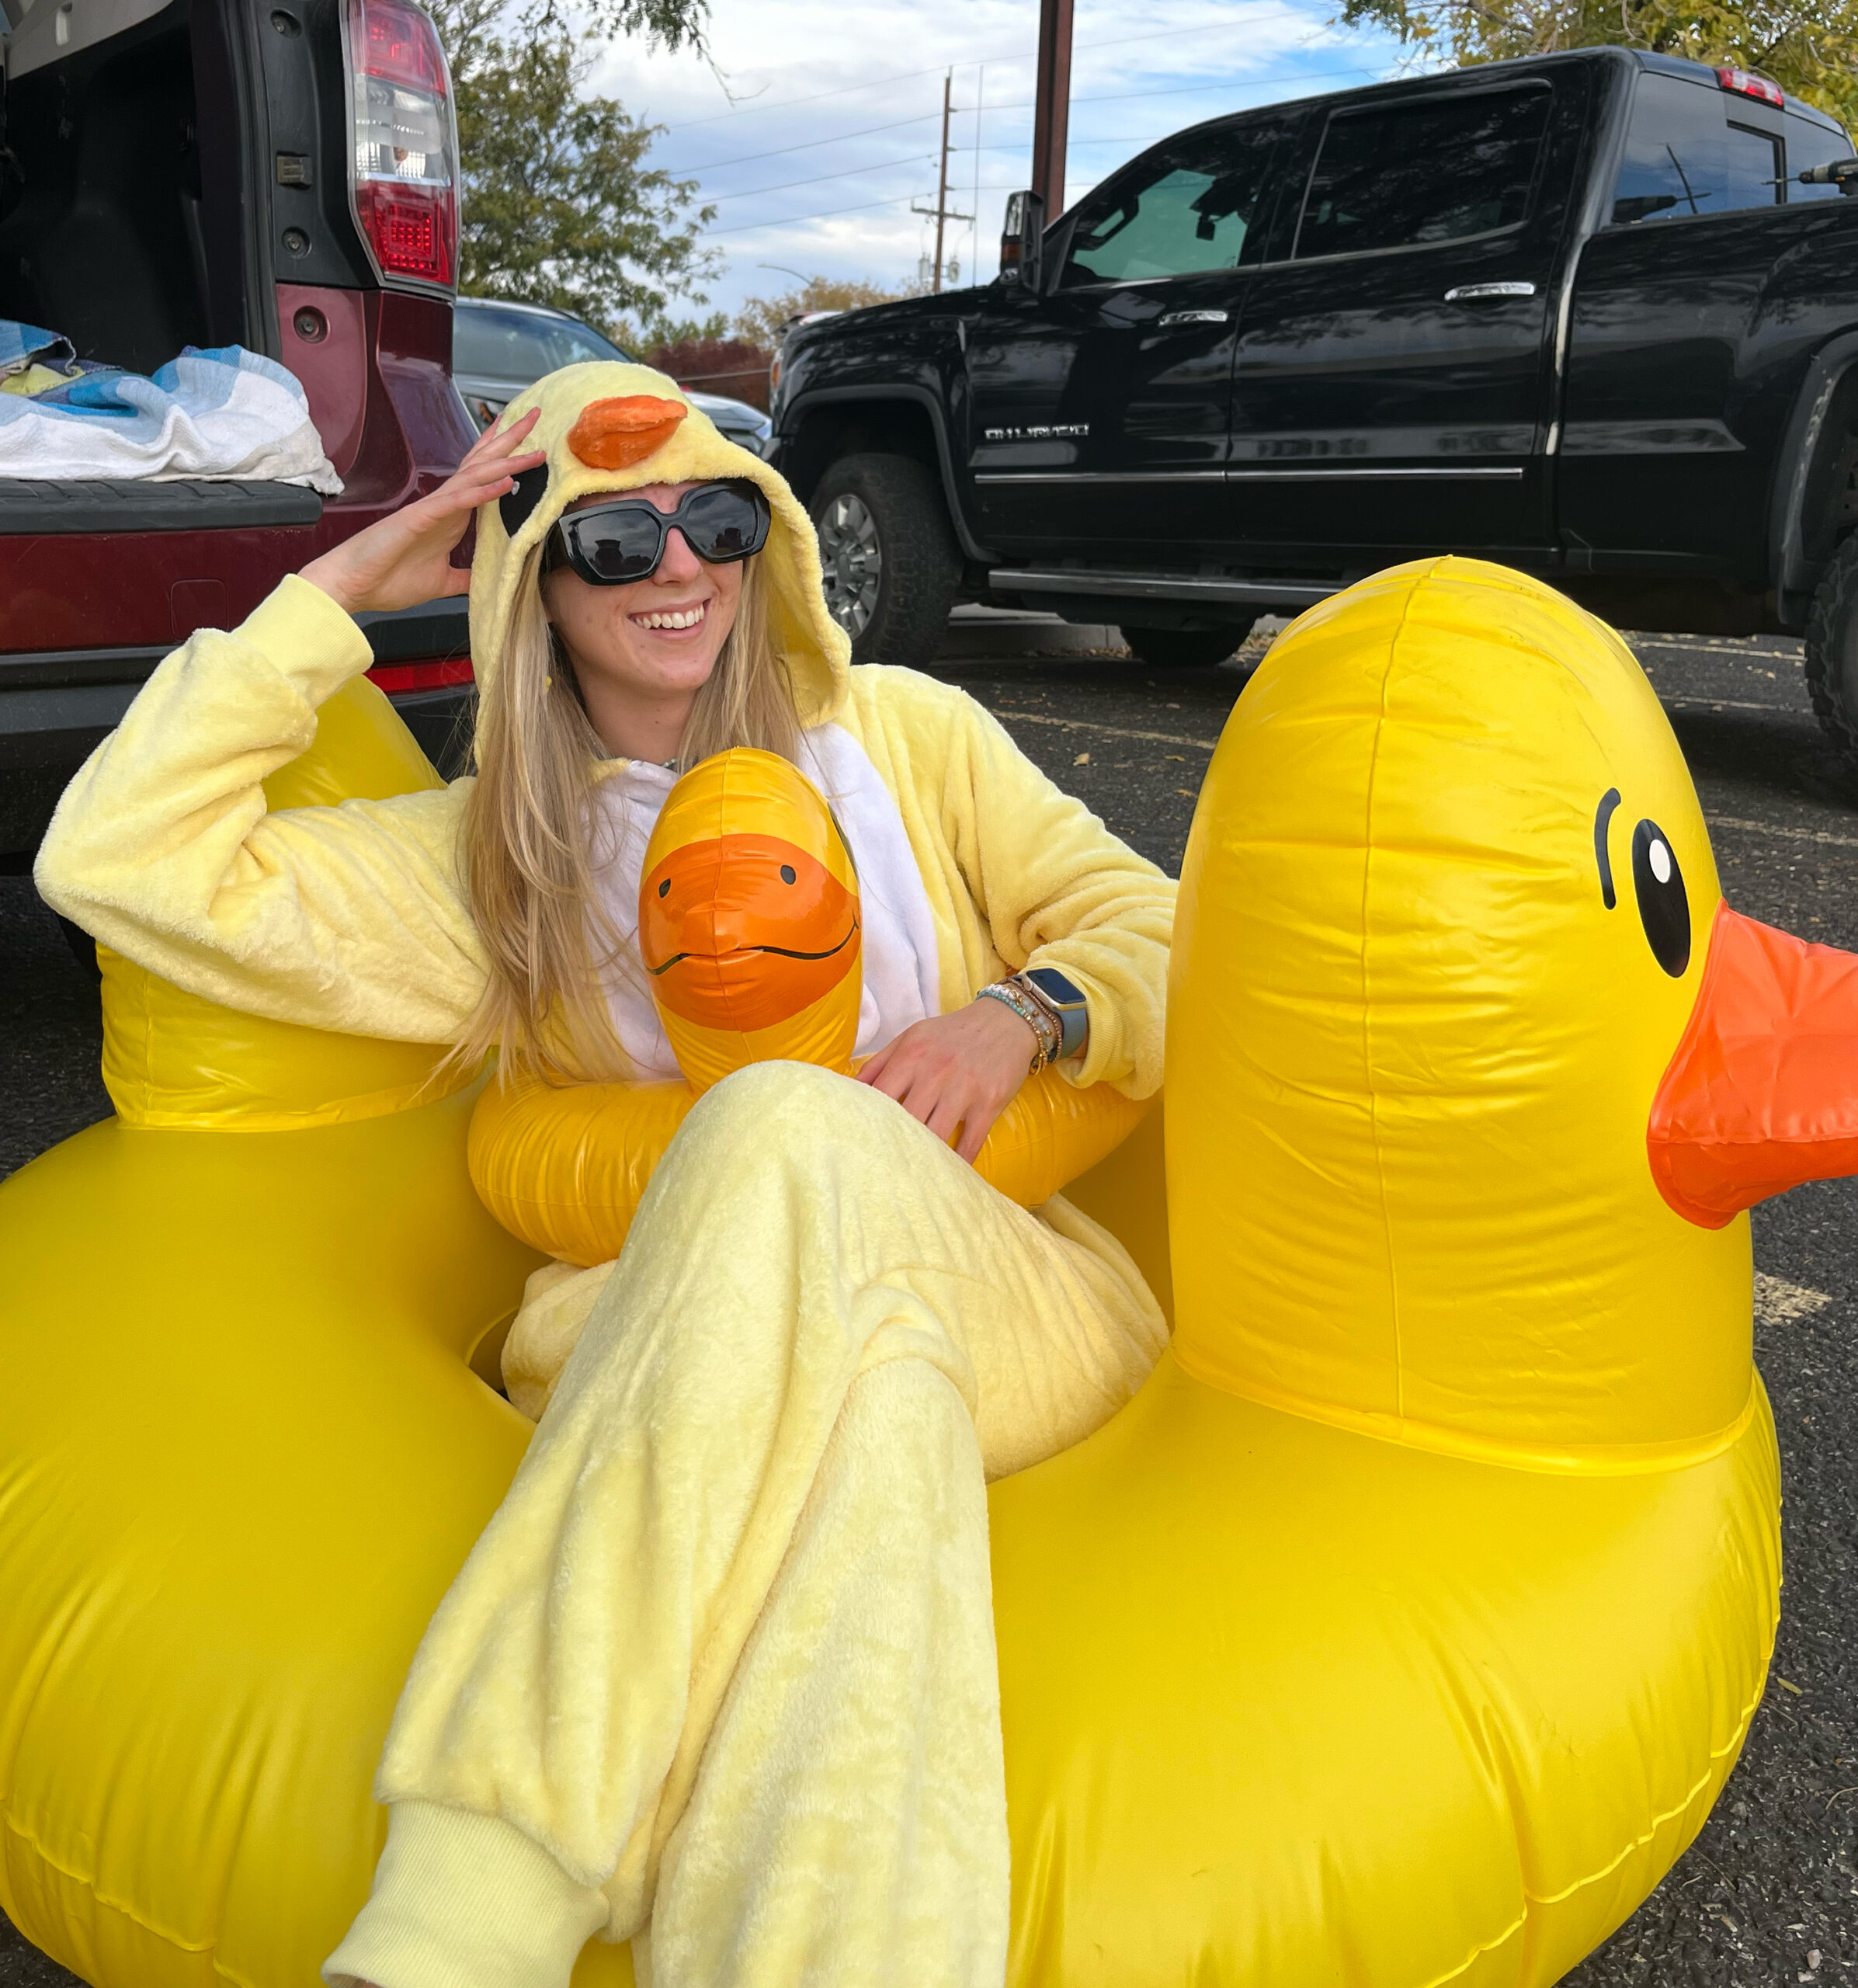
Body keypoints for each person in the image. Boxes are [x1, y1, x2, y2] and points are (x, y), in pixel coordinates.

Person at [35, 363, 1174, 1988]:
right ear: (531, 589)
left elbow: (1162, 923)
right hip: (673, 1342)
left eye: (714, 518)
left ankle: (460, 1920)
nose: (681, 566)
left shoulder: (907, 736)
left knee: (782, 1124)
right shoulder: (487, 856)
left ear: (762, 538)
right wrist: (339, 587)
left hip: (1014, 1291)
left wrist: (1023, 1013)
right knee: (869, 1408)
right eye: (612, 542)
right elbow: (114, 858)